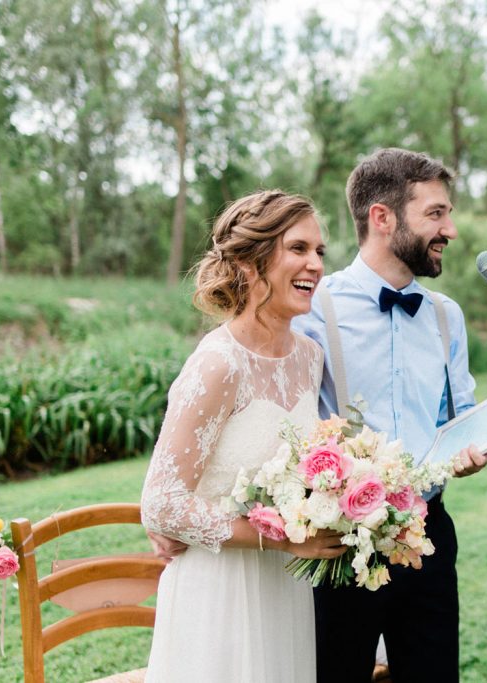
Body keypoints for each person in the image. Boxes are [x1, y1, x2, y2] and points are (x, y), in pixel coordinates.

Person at [293, 147, 487, 683]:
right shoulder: (313, 310)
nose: (449, 228)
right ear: (382, 218)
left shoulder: (446, 316)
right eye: (435, 213)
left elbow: (461, 414)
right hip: (339, 543)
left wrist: (476, 444)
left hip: (429, 533)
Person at [140, 190, 347, 683]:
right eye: (298, 248)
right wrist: (279, 539)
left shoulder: (310, 357)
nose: (315, 264)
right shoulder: (219, 363)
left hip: (283, 590)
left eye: (319, 252)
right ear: (252, 262)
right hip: (218, 592)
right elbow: (162, 503)